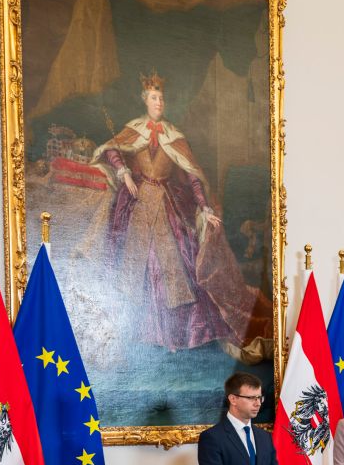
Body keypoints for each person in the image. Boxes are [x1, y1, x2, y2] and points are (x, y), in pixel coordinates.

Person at [91, 73, 270, 361]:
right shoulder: (133, 129)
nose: (158, 102)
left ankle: (171, 335)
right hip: (137, 204)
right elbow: (112, 150)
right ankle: (137, 333)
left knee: (170, 265)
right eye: (154, 98)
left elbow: (193, 177)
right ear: (145, 100)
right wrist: (124, 173)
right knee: (138, 267)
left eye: (161, 98)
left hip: (165, 205)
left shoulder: (175, 136)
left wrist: (205, 208)